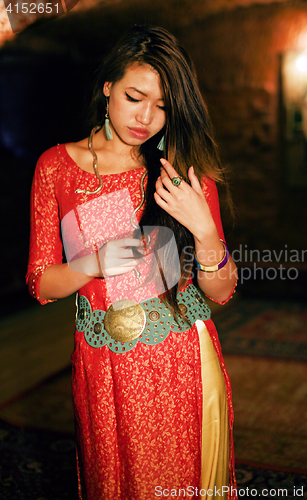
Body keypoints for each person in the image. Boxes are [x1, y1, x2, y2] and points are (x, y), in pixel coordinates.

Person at [26, 25, 238, 500]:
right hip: (104, 360)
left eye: (162, 105)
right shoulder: (56, 167)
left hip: (180, 355)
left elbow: (222, 291)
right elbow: (41, 283)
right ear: (107, 87)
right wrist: (94, 262)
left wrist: (204, 230)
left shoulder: (180, 170)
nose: (146, 117)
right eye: (134, 97)